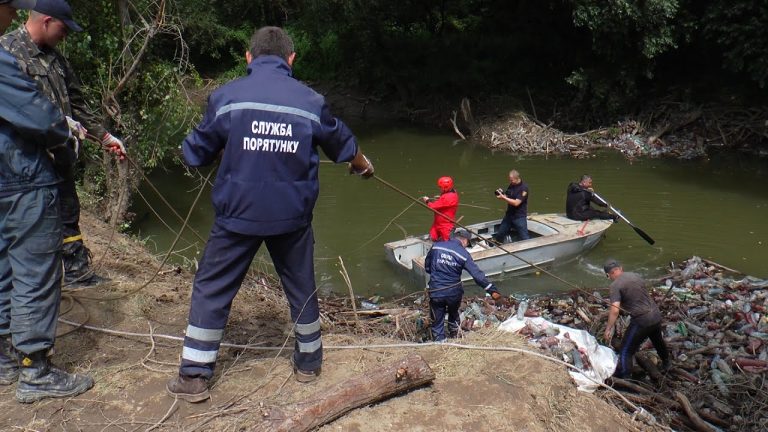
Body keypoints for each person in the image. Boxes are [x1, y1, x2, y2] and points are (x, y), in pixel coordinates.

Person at [166, 26, 374, 403]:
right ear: (290, 59)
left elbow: (194, 153)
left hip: (237, 217)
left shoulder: (226, 97)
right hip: (291, 220)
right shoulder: (310, 101)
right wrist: (363, 165)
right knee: (301, 289)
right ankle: (309, 364)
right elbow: (343, 143)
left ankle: (195, 376)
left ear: (249, 57)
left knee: (212, 289)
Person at [0, 0, 93, 403]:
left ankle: (6, 358)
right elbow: (40, 117)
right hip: (23, 178)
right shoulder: (5, 55)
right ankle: (35, 370)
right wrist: (65, 132)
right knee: (36, 272)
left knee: (5, 267)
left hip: (6, 179)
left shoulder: (53, 59)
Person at [0, 0, 127, 286]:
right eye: (63, 27)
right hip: (24, 162)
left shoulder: (57, 59)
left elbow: (78, 104)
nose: (66, 34)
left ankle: (76, 272)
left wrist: (106, 138)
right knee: (25, 226)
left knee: (68, 211)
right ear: (46, 21)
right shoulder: (7, 52)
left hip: (61, 155)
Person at [425, 230, 501, 342]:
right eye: (467, 244)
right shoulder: (463, 254)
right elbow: (478, 276)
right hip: (453, 292)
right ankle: (454, 334)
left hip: (436, 290)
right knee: (453, 312)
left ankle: (439, 340)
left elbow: (427, 266)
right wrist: (492, 290)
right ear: (465, 241)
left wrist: (438, 276)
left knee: (437, 315)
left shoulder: (436, 246)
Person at [603, 259, 670, 378]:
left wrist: (608, 328)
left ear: (609, 274)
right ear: (621, 268)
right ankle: (667, 364)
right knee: (657, 340)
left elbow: (614, 310)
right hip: (655, 314)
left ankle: (625, 378)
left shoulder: (615, 285)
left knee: (626, 351)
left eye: (608, 277)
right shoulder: (636, 276)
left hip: (642, 320)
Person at [492, 169, 529, 243]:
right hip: (509, 215)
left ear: (517, 178)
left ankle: (530, 248)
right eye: (510, 180)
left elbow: (516, 203)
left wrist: (504, 198)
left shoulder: (524, 188)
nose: (510, 182)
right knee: (500, 234)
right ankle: (497, 246)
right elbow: (507, 196)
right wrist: (501, 194)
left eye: (512, 180)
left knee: (524, 237)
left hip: (519, 217)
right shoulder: (512, 185)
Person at [421, 176, 459, 242]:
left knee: (447, 242)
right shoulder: (451, 192)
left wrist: (427, 201)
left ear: (445, 187)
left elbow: (432, 206)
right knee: (432, 237)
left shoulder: (448, 197)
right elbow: (444, 202)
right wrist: (440, 198)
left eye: (441, 187)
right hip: (437, 223)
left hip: (446, 225)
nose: (440, 188)